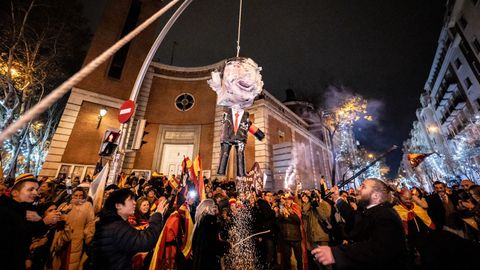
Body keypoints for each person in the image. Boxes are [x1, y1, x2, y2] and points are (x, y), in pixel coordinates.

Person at [312, 178, 408, 269]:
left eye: (363, 187)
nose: (358, 189)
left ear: (376, 196)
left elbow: (378, 249)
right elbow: (354, 219)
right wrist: (337, 198)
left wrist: (336, 254)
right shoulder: (372, 211)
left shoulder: (386, 216)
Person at [90, 188, 167, 269]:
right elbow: (146, 241)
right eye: (131, 200)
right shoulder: (117, 227)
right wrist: (157, 215)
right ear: (118, 205)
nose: (134, 203)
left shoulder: (113, 223)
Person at [0, 173, 60, 269]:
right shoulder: (5, 210)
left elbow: (32, 232)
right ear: (15, 193)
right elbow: (15, 236)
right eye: (31, 189)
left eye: (36, 189)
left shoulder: (25, 209)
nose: (36, 193)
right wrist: (43, 222)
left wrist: (42, 221)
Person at [192, 199, 225, 270]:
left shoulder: (199, 222)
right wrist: (225, 246)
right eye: (213, 207)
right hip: (208, 261)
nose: (215, 209)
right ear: (208, 208)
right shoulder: (209, 220)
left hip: (200, 261)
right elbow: (212, 243)